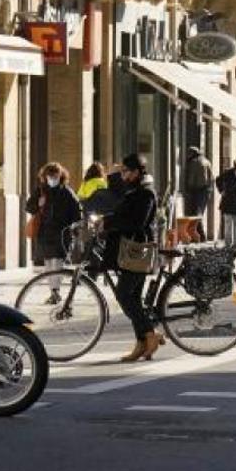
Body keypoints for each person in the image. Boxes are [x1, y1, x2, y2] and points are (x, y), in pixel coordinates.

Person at [101, 154, 161, 362]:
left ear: (137, 172)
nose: (123, 175)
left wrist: (111, 223)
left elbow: (137, 223)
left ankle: (150, 334)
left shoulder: (145, 194)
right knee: (133, 298)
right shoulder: (133, 191)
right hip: (129, 252)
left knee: (124, 295)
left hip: (137, 252)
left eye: (126, 171)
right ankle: (142, 343)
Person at [25, 162, 82, 305]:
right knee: (49, 262)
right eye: (50, 176)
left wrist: (74, 226)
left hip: (62, 232)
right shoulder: (40, 191)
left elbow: (77, 211)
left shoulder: (67, 191)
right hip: (44, 232)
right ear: (44, 177)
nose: (52, 178)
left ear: (61, 176)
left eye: (55, 175)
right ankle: (53, 291)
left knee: (58, 261)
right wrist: (38, 204)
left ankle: (55, 291)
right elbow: (29, 207)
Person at [216, 159, 236, 246]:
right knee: (228, 224)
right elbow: (218, 180)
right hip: (228, 201)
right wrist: (221, 190)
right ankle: (228, 243)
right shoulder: (228, 173)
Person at [181, 147, 213, 220]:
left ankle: (199, 230)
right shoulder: (207, 161)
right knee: (200, 211)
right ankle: (198, 229)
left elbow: (191, 177)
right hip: (206, 190)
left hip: (197, 189)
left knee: (195, 213)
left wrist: (188, 189)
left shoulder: (194, 162)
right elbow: (211, 177)